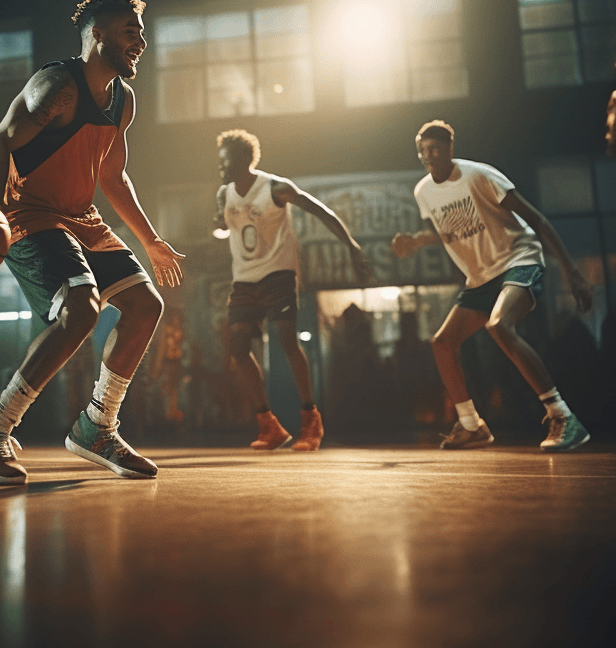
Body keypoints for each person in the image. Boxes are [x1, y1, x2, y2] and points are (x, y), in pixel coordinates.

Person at [0, 0, 184, 485]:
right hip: (30, 213)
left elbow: (113, 177)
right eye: (131, 32)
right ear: (98, 33)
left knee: (147, 306)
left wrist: (150, 240)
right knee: (81, 308)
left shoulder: (122, 100)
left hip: (79, 216)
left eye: (143, 34)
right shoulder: (56, 86)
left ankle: (97, 426)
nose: (141, 43)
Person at [391, 120, 593, 451]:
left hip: (519, 260)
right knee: (442, 343)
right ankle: (472, 426)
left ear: (450, 149)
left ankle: (563, 417)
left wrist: (572, 273)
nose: (429, 156)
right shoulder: (423, 191)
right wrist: (415, 242)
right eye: (423, 151)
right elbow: (449, 232)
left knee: (499, 325)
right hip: (481, 276)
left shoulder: (479, 175)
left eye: (435, 148)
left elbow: (537, 219)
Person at [215, 129, 371, 451]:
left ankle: (310, 419)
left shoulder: (275, 188)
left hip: (278, 273)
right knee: (239, 346)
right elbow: (223, 224)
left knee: (286, 337)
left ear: (245, 159)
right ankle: (268, 426)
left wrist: (352, 246)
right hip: (244, 278)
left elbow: (321, 211)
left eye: (226, 161)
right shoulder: (223, 193)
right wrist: (218, 224)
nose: (221, 167)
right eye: (220, 162)